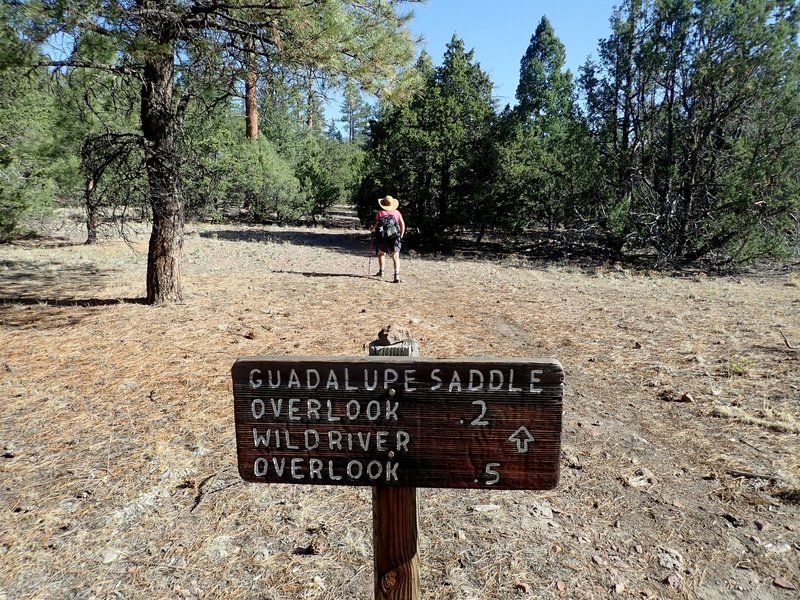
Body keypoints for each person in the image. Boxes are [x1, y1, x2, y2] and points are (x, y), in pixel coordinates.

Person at [372, 195, 406, 283]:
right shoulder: (397, 212)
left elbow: (376, 225)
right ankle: (396, 275)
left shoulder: (380, 213)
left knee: (381, 253)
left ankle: (381, 271)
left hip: (384, 237)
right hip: (395, 236)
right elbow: (402, 223)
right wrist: (401, 235)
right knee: (395, 255)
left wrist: (373, 230)